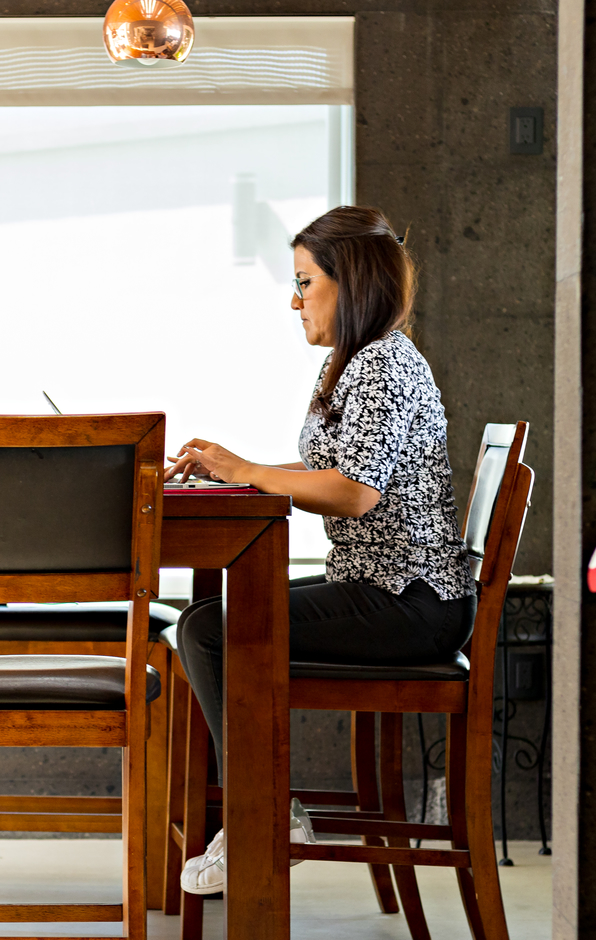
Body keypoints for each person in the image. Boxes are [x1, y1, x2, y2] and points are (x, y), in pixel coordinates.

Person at [164, 205, 477, 895]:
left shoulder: (382, 364)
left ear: (352, 282)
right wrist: (232, 466)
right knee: (206, 621)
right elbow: (334, 474)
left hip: (409, 603)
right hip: (385, 588)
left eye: (307, 281)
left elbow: (353, 491)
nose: (294, 297)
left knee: (211, 629)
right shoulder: (350, 364)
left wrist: (245, 469)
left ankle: (261, 817)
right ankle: (263, 814)